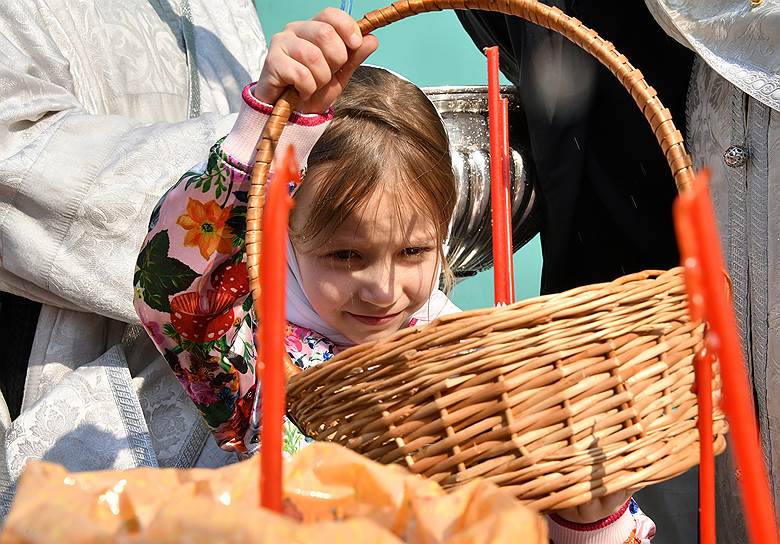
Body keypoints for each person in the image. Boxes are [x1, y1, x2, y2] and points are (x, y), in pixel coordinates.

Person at [134, 8, 655, 542]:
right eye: (345, 256)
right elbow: (174, 289)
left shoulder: (469, 366)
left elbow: (529, 511)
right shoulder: (256, 362)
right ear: (287, 231)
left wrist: (587, 520)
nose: (383, 291)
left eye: (411, 251)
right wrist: (267, 129)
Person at [0, 0, 267, 516]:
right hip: (62, 390)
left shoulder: (229, 9)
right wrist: (246, 154)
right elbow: (13, 152)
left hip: (228, 423)